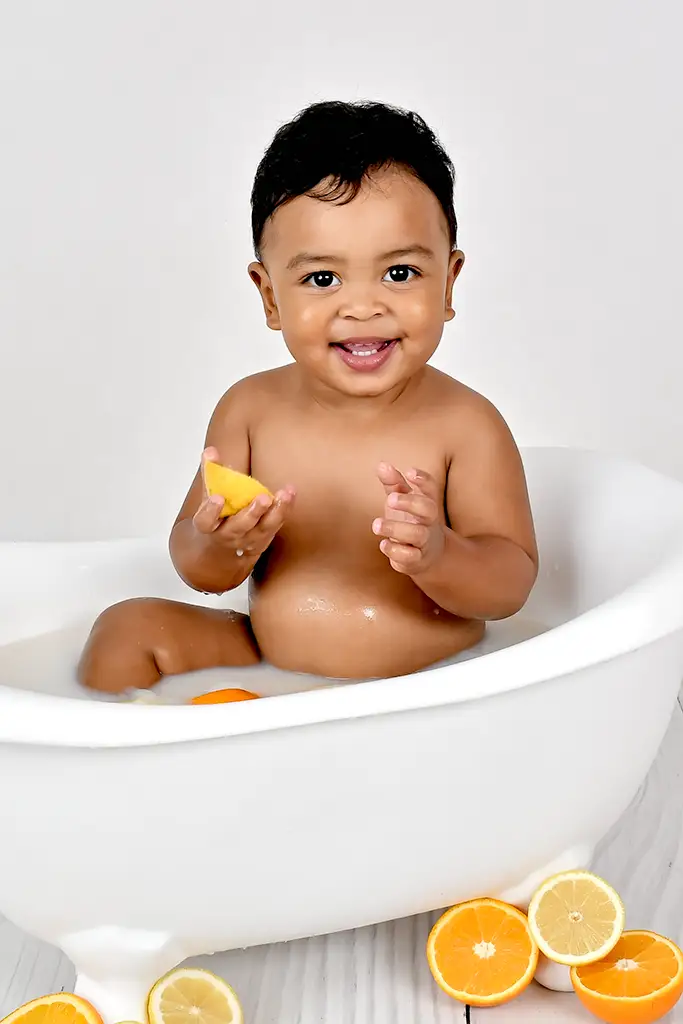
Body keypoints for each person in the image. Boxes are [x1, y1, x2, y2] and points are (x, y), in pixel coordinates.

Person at [78, 100, 538, 693]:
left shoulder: (466, 426)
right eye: (322, 279)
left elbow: (511, 586)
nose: (363, 306)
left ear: (449, 282)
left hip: (422, 685)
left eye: (399, 273)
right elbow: (198, 569)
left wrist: (439, 554)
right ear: (269, 296)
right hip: (270, 661)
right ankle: (120, 756)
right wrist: (223, 545)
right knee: (127, 626)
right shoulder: (249, 411)